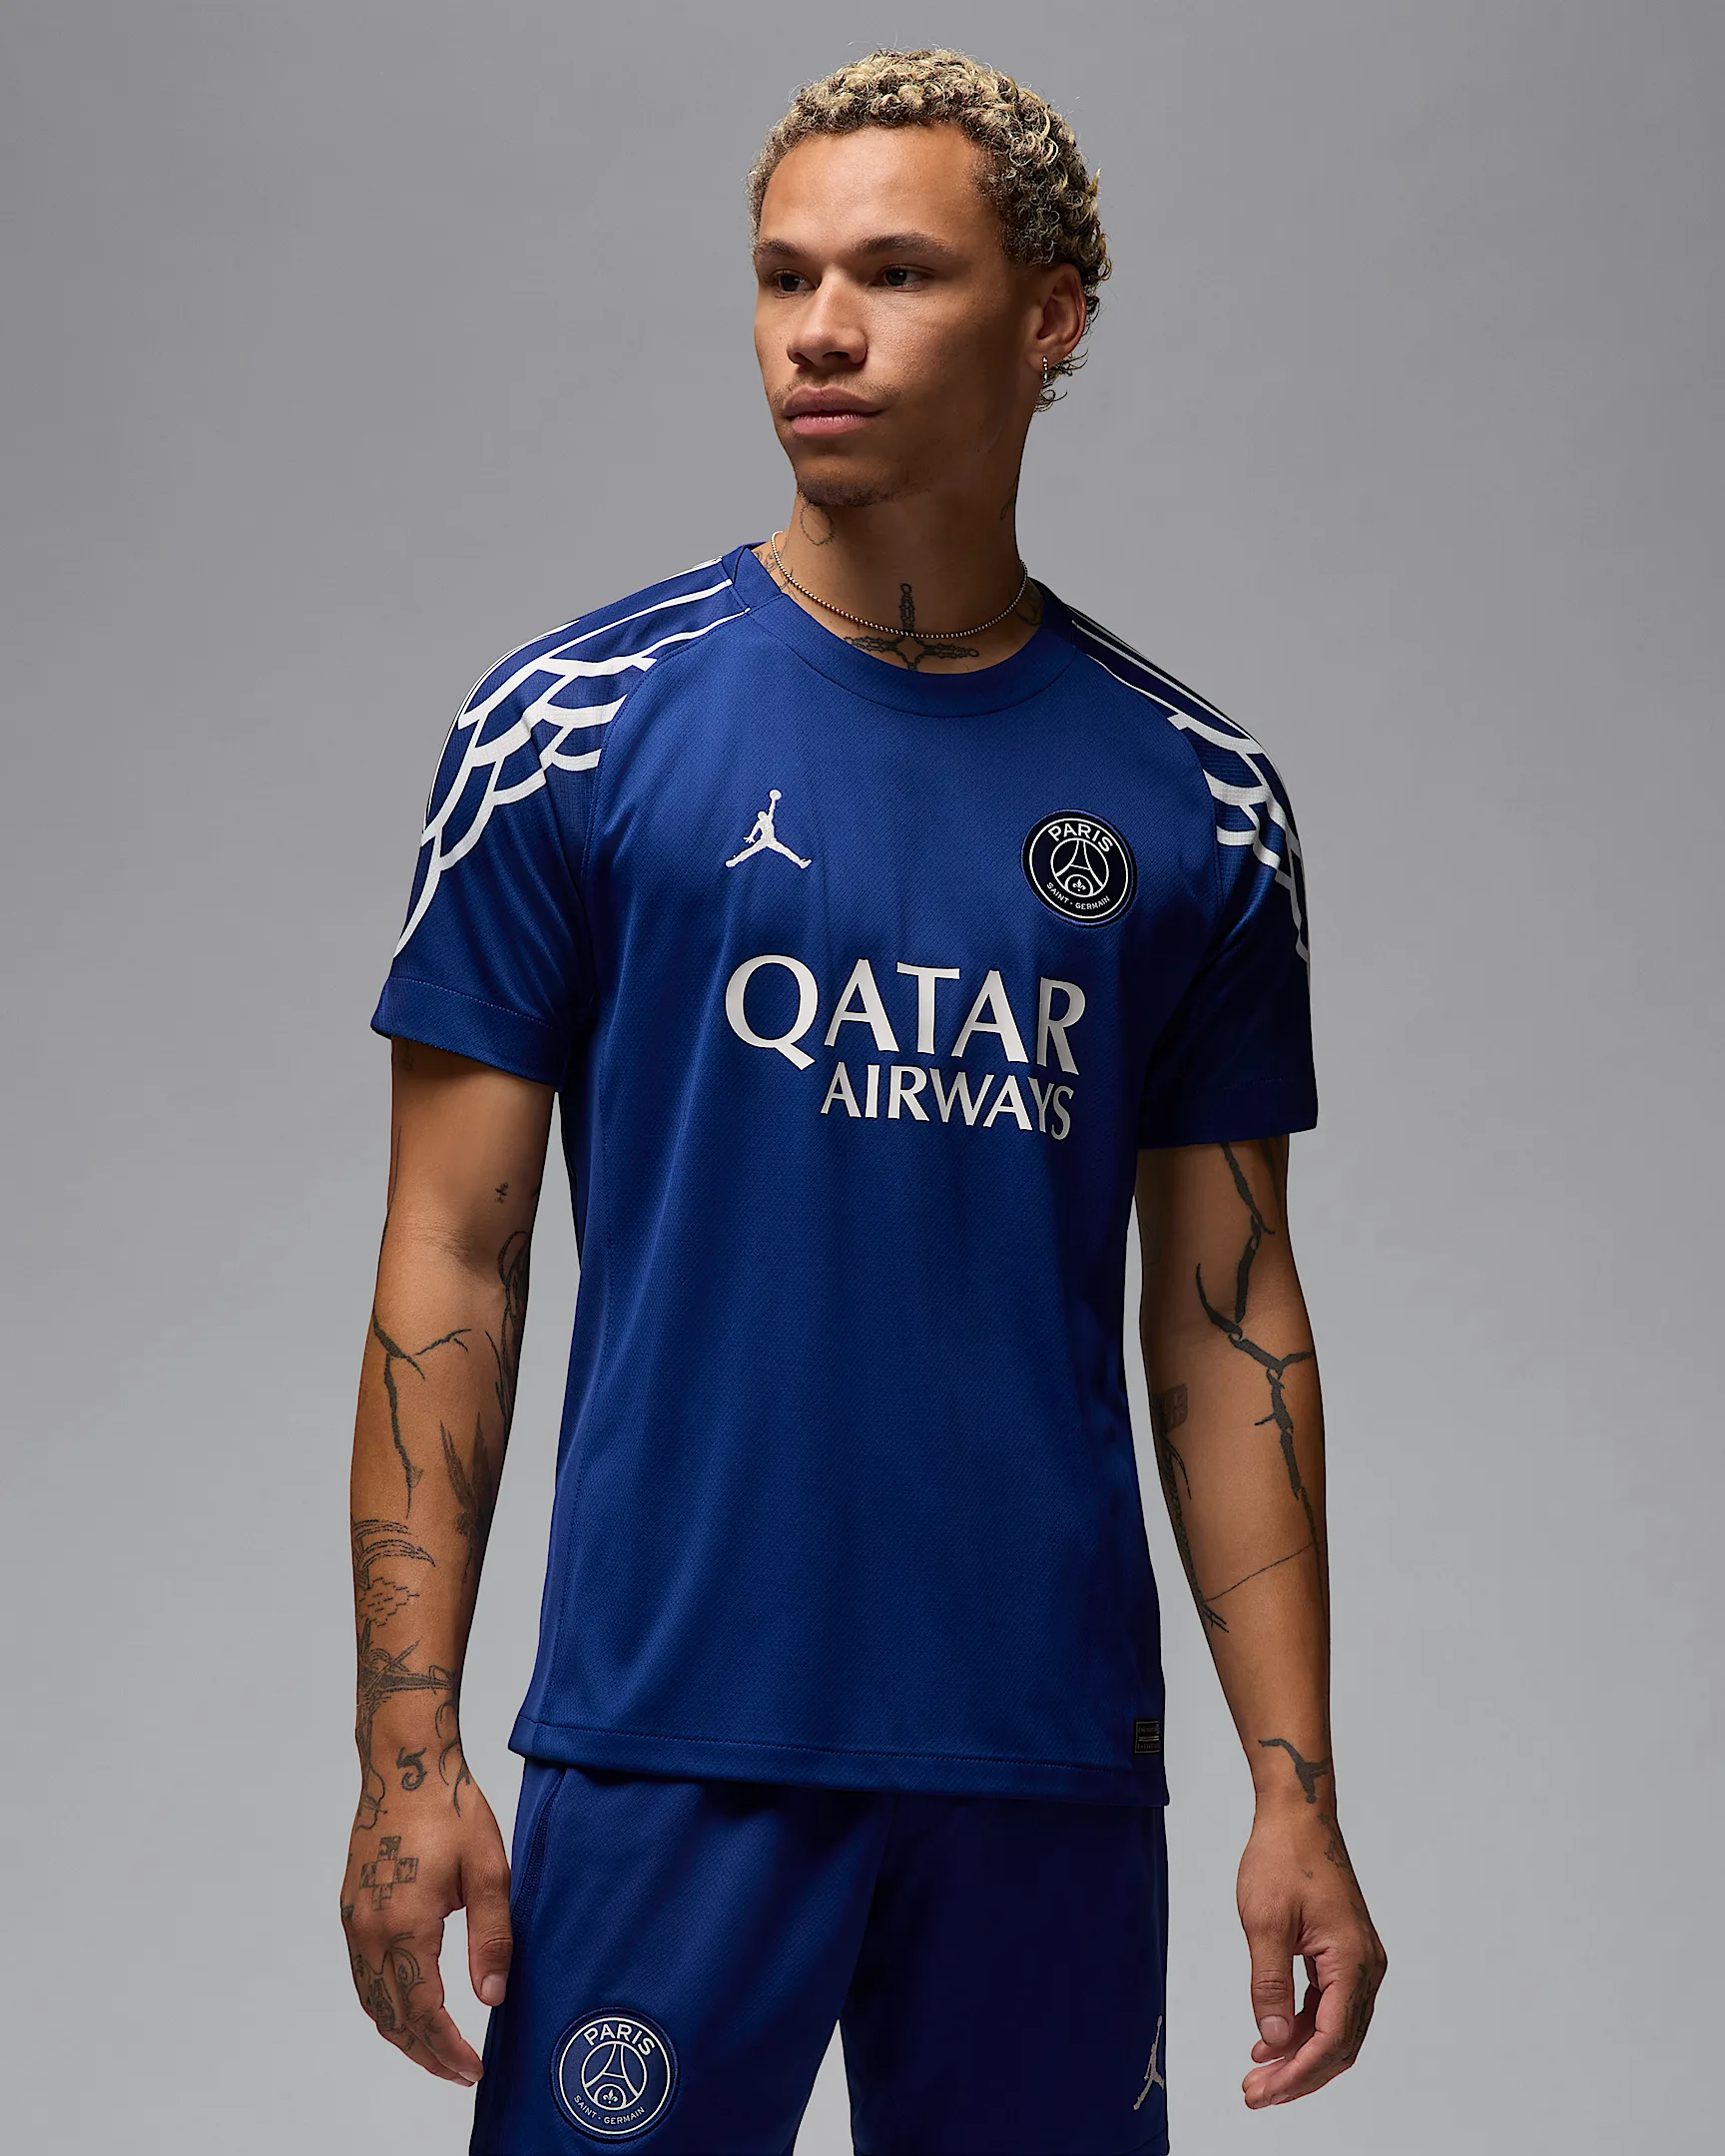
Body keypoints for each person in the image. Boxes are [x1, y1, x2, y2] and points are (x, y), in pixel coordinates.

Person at [339, 46, 1386, 2156]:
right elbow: (451, 1254)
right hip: (668, 1738)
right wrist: (408, 1755)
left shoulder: (1197, 802)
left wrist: (1300, 1796)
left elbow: (1229, 1322)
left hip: (1043, 1762)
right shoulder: (572, 731)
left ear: (1050, 314)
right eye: (783, 275)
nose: (818, 330)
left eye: (896, 273)